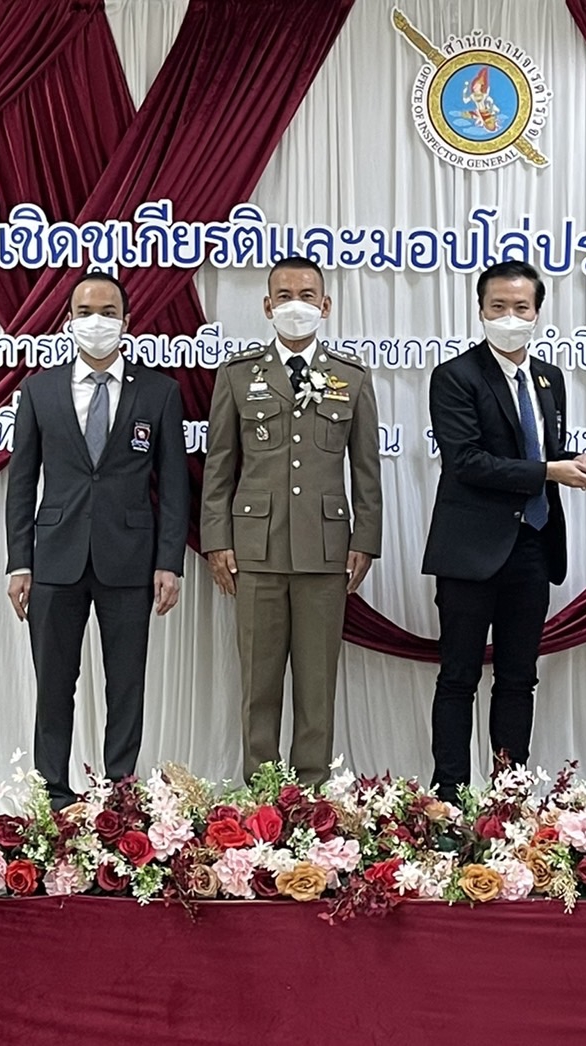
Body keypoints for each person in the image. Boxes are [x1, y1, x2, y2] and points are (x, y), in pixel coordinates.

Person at [422, 261, 586, 801]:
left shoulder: (549, 378)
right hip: (470, 551)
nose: (510, 317)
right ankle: (449, 798)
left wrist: (579, 460)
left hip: (533, 544)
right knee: (458, 677)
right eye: (498, 307)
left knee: (518, 677)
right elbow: (467, 462)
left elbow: (545, 452)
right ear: (481, 310)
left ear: (537, 313)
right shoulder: (455, 376)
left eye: (521, 308)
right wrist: (551, 470)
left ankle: (508, 798)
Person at [5, 271, 188, 809]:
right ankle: (53, 796)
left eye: (108, 312)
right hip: (54, 560)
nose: (97, 322)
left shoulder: (159, 392)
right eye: (85, 312)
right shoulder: (39, 390)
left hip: (130, 561)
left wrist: (169, 562)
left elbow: (174, 486)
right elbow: (21, 483)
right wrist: (19, 562)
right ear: (68, 322)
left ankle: (119, 796)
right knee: (54, 685)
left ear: (126, 322)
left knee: (126, 684)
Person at [200, 256, 381, 787]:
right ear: (267, 306)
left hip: (325, 550)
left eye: (306, 295)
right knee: (258, 684)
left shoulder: (350, 377)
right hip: (255, 550)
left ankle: (311, 793)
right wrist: (216, 540)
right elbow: (219, 465)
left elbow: (366, 469)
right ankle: (262, 794)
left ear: (325, 306)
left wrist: (365, 539)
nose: (295, 305)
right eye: (284, 296)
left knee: (316, 685)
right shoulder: (238, 375)